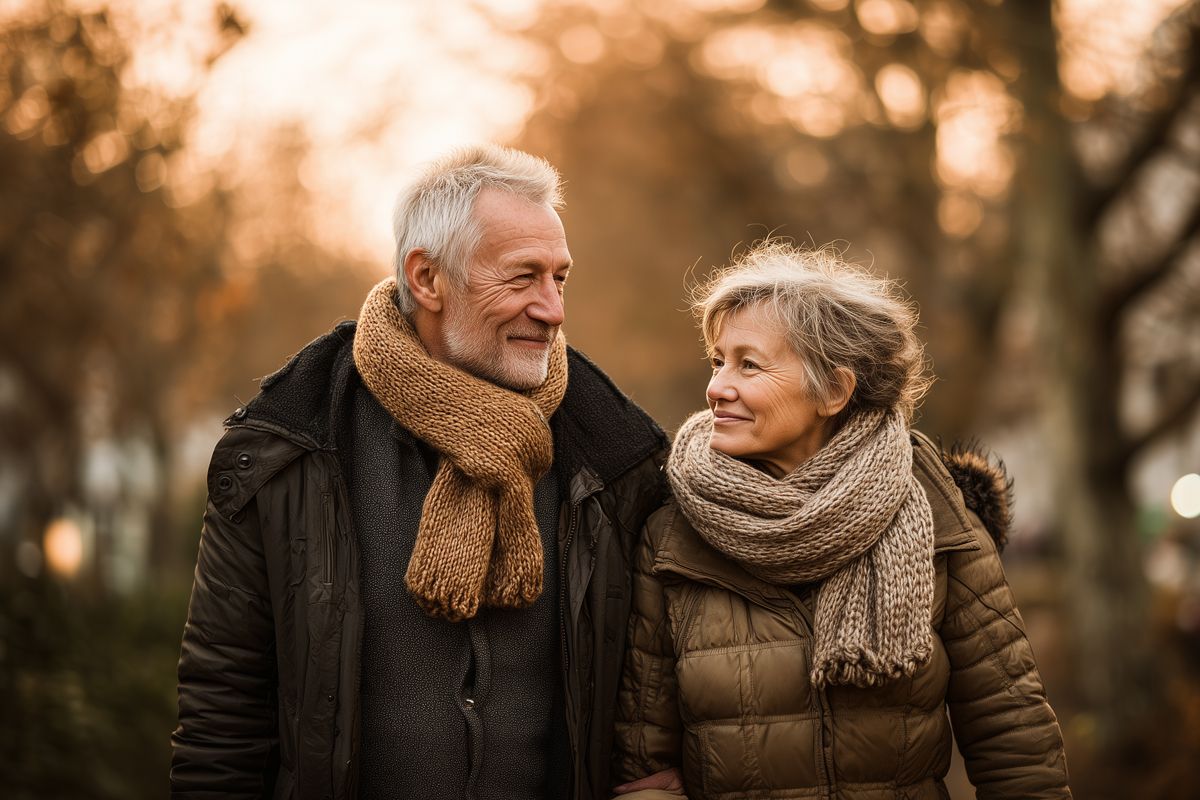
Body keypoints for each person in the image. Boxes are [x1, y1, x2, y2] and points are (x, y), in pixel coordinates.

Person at [170, 145, 671, 800]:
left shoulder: (617, 458)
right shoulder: (285, 453)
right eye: (522, 279)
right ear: (427, 279)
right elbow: (224, 710)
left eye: (560, 279)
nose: (553, 309)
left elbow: (659, 705)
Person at [612, 242, 1071, 799]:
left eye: (748, 364)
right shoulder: (672, 536)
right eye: (717, 360)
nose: (715, 388)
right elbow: (644, 769)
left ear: (833, 390)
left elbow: (1014, 741)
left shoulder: (938, 518)